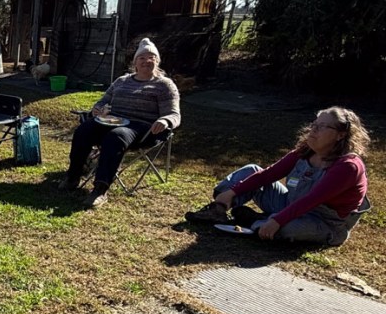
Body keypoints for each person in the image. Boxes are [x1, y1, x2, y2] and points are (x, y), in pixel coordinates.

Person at [185, 106, 372, 246]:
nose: (313, 130)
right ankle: (217, 211)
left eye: (322, 127)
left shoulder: (348, 166)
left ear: (340, 135)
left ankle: (256, 222)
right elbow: (268, 175)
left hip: (322, 221)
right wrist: (231, 193)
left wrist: (278, 221)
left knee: (287, 229)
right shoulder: (306, 151)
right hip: (291, 204)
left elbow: (312, 199)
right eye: (314, 124)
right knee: (251, 170)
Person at [58, 38, 181, 208]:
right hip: (113, 121)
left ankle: (100, 189)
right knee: (84, 130)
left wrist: (165, 120)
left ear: (157, 61)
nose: (146, 61)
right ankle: (73, 176)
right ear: (135, 62)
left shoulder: (164, 85)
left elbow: (174, 114)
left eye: (151, 57)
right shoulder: (122, 81)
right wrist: (98, 109)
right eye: (142, 58)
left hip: (143, 128)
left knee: (116, 136)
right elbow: (103, 101)